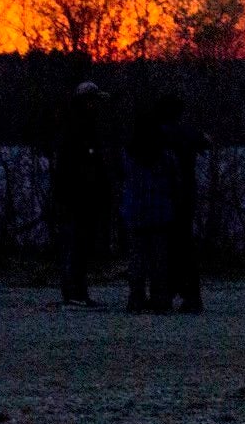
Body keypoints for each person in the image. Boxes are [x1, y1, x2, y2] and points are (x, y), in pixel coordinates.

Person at [47, 82, 112, 307]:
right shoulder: (78, 129)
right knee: (76, 245)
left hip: (80, 197)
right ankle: (74, 292)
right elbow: (76, 168)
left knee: (81, 245)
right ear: (86, 102)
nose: (97, 106)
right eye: (94, 101)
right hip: (76, 198)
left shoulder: (81, 127)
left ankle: (78, 291)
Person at [120, 98, 176, 313]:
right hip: (160, 213)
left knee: (137, 259)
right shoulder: (164, 156)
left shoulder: (129, 154)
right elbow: (174, 180)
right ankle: (160, 300)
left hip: (136, 212)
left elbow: (123, 176)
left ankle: (136, 299)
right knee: (159, 260)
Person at [161, 94, 209, 315]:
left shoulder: (160, 134)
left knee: (169, 247)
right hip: (185, 197)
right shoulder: (188, 134)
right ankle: (189, 295)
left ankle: (171, 292)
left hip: (167, 197)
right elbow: (206, 142)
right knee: (184, 246)